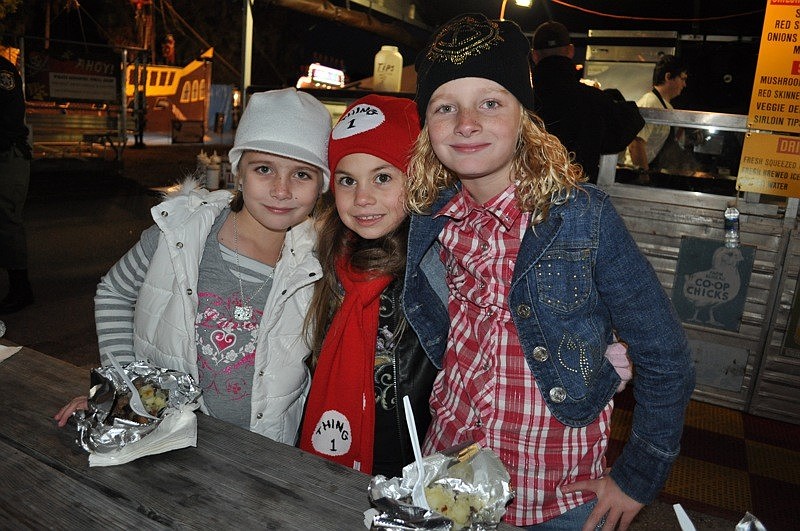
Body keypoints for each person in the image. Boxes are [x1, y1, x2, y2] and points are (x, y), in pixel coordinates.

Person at [404, 13, 695, 530]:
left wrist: (638, 475)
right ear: (427, 126)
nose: (466, 123)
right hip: (451, 472)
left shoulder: (582, 218)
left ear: (525, 117)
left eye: (490, 103)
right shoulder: (430, 217)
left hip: (555, 493)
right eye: (445, 107)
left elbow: (665, 355)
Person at [55, 88, 332, 446]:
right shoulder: (179, 235)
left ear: (321, 186)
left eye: (302, 174)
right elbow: (114, 292)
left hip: (264, 451)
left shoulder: (320, 264)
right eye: (264, 169)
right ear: (238, 172)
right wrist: (121, 388)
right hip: (167, 437)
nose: (281, 190)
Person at [299, 94, 437, 478]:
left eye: (383, 177)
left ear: (417, 179)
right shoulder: (323, 260)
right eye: (347, 180)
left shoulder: (437, 267)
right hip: (326, 457)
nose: (362, 198)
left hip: (412, 469)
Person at [531, 21, 644, 183]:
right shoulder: (592, 99)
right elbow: (621, 132)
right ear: (570, 51)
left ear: (535, 56)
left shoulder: (519, 101)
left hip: (527, 192)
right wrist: (615, 98)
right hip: (577, 190)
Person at [0, 54, 34, 314]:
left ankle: (20, 289)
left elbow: (10, 116)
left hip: (7, 153)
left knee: (7, 219)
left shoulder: (3, 70)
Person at [624, 54, 688, 174]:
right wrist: (643, 175)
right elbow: (636, 143)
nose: (684, 84)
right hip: (634, 174)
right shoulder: (650, 102)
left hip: (651, 171)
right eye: (682, 79)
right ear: (668, 77)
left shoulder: (668, 107)